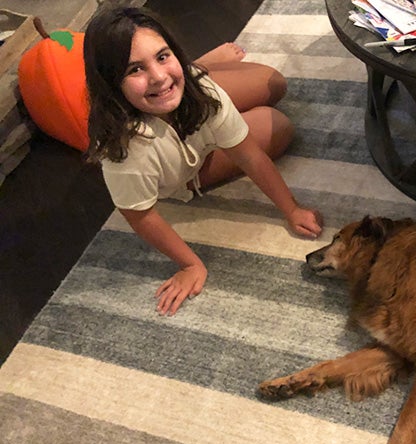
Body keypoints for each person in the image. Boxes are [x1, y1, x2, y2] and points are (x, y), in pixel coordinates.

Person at [83, 6, 323, 316]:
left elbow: (247, 152)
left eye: (162, 56)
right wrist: (190, 264)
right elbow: (140, 215)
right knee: (278, 125)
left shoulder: (198, 88)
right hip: (188, 169)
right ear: (110, 83)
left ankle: (199, 65)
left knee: (273, 82)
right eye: (134, 70)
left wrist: (291, 208)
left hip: (192, 97)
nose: (157, 76)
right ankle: (197, 68)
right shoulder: (125, 149)